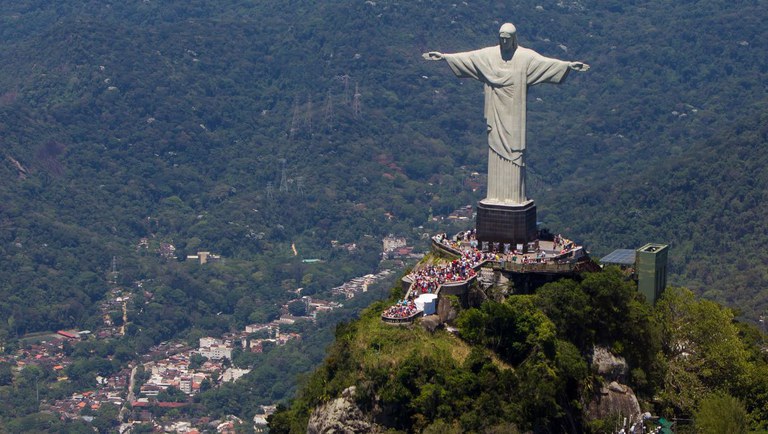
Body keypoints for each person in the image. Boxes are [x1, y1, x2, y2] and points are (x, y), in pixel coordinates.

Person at [423, 23, 589, 204]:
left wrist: (568, 66)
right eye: (501, 38)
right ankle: (495, 196)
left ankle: (513, 197)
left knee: (514, 151)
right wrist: (444, 57)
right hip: (495, 111)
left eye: (507, 39)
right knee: (495, 149)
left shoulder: (525, 57)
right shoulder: (489, 55)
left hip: (514, 114)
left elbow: (546, 63)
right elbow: (469, 58)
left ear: (514, 39)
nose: (503, 42)